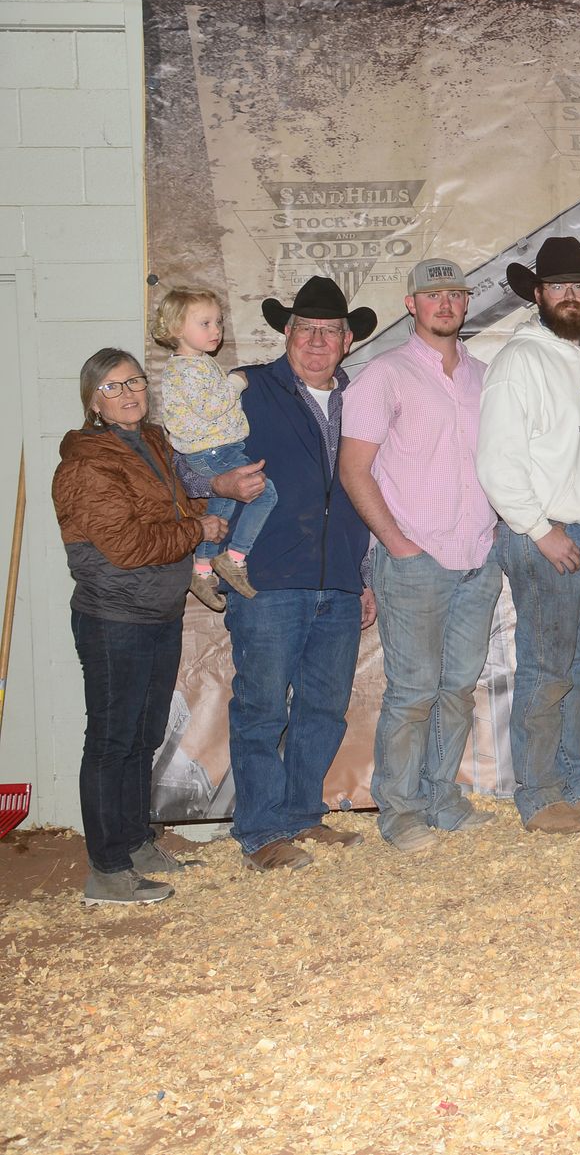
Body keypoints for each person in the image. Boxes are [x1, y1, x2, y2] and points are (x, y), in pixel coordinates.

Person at [212, 276, 379, 871]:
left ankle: (301, 815)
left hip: (337, 580)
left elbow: (364, 490)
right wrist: (216, 484)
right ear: (286, 333)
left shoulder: (359, 399)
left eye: (328, 330)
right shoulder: (248, 388)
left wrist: (361, 576)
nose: (315, 340)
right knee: (261, 707)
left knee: (323, 707)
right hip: (266, 578)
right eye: (304, 328)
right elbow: (187, 454)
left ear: (348, 339)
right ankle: (259, 832)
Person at [339, 258, 502, 854]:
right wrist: (399, 546)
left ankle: (442, 797)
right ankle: (400, 810)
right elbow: (354, 469)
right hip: (415, 559)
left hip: (477, 558)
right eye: (431, 295)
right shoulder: (383, 376)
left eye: (454, 294)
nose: (445, 304)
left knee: (457, 687)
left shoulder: (485, 377)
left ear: (465, 303)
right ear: (411, 304)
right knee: (412, 692)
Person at [53, 348, 226, 904]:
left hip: (157, 610)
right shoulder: (85, 465)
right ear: (92, 402)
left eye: (134, 382)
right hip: (113, 616)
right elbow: (128, 546)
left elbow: (174, 507)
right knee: (111, 740)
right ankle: (106, 869)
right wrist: (198, 529)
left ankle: (134, 842)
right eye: (112, 387)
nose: (128, 393)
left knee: (144, 735)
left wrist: (210, 502)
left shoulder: (153, 442)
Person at [477, 236, 580, 834]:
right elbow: (496, 461)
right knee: (547, 670)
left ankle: (574, 780)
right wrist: (540, 530)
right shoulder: (520, 361)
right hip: (549, 536)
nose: (572, 296)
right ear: (537, 294)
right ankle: (537, 795)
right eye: (560, 286)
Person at [152, 285, 276, 611]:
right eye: (204, 323)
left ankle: (202, 568)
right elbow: (212, 406)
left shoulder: (198, 363)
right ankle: (234, 557)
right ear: (177, 328)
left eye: (218, 322)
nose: (216, 330)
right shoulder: (185, 370)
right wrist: (237, 381)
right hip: (213, 450)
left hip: (216, 447)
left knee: (221, 506)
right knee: (266, 493)